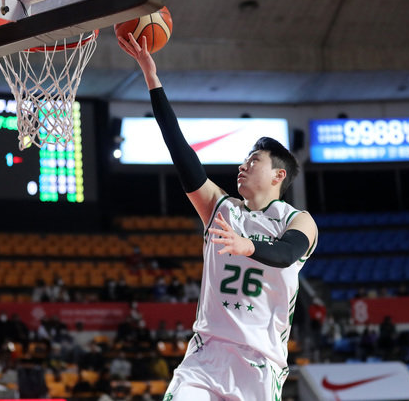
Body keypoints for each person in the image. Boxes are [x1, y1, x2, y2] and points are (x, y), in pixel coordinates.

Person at [118, 33, 318, 400]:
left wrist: (247, 245)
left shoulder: (298, 219)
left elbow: (287, 254)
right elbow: (179, 150)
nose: (243, 165)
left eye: (254, 160)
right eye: (244, 159)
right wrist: (151, 78)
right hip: (206, 354)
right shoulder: (220, 207)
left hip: (259, 363)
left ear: (279, 176)